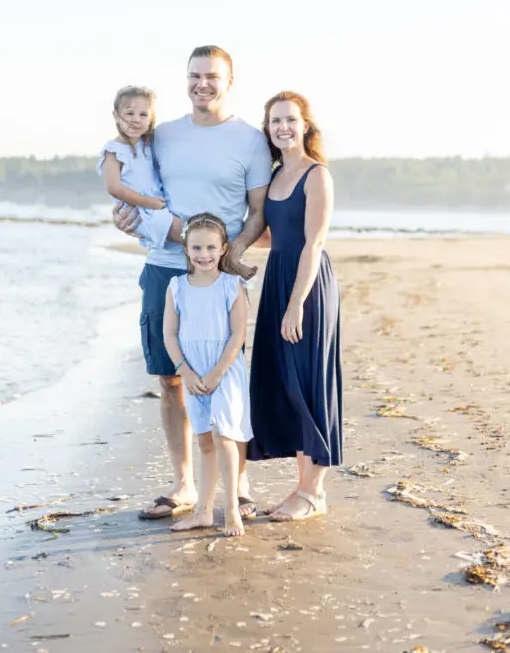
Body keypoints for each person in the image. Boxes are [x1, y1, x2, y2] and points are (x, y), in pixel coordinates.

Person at [113, 45, 271, 521]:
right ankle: (183, 486)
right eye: (194, 75)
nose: (202, 84)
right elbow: (131, 180)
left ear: (229, 81)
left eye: (212, 76)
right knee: (170, 378)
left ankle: (237, 486)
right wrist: (124, 216)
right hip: (164, 266)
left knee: (226, 379)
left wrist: (233, 253)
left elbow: (258, 211)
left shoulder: (250, 140)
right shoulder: (163, 135)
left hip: (219, 274)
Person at [248, 91, 343, 521]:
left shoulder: (316, 175)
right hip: (277, 277)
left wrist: (296, 304)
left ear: (306, 125)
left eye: (290, 120)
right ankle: (304, 488)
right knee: (283, 380)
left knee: (307, 382)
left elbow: (314, 242)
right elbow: (273, 234)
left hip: (306, 287)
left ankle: (313, 492)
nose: (282, 128)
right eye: (274, 122)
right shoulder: (273, 175)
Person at [163, 213, 252, 537]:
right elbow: (170, 335)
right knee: (204, 441)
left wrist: (217, 372)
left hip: (223, 369)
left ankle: (230, 510)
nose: (203, 254)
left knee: (224, 436)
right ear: (186, 249)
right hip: (192, 370)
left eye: (211, 247)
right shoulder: (177, 287)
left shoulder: (232, 285)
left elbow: (238, 334)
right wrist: (184, 371)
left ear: (223, 248)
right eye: (196, 247)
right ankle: (202, 511)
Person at [98, 86, 182, 251]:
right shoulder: (114, 151)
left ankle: (224, 269)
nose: (136, 119)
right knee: (192, 235)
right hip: (140, 213)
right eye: (129, 113)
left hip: (156, 208)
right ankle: (227, 265)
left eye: (143, 114)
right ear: (116, 115)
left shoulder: (148, 144)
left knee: (197, 239)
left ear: (151, 118)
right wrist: (148, 202)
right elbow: (113, 187)